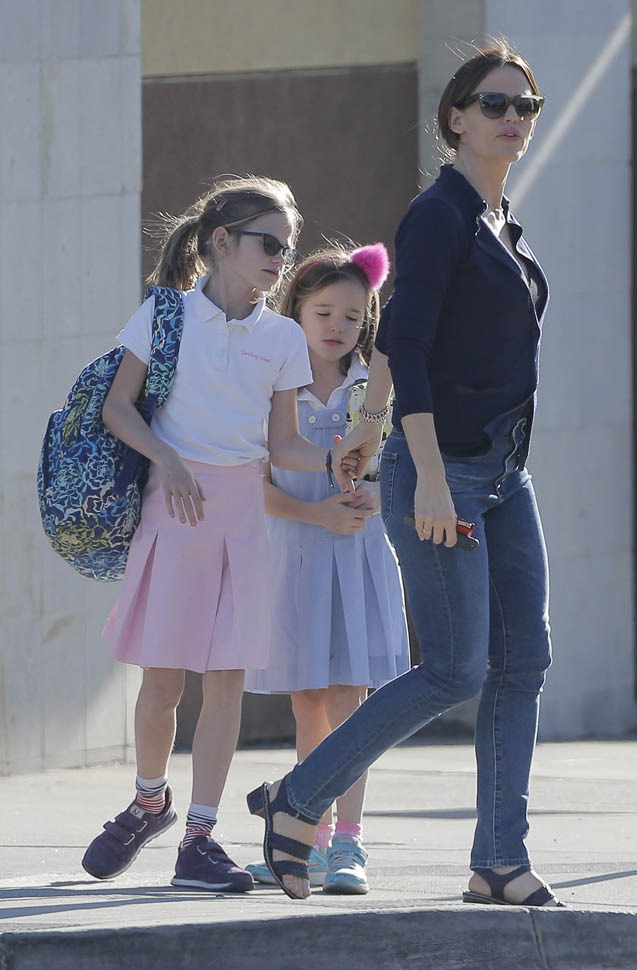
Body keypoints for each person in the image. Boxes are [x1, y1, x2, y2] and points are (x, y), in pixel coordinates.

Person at [246, 41, 564, 908]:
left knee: (522, 662)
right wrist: (420, 471)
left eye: (525, 105)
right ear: (455, 117)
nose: (512, 117)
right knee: (456, 667)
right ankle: (298, 798)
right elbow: (410, 344)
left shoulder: (500, 222)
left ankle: (497, 860)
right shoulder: (440, 214)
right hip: (446, 471)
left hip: (504, 471)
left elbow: (394, 341)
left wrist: (365, 420)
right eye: (494, 103)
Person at [80, 175, 353, 893]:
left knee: (227, 681)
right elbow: (118, 408)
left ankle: (199, 838)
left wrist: (337, 457)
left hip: (242, 521)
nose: (280, 260)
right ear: (222, 242)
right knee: (163, 679)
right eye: (269, 244)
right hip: (174, 512)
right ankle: (149, 802)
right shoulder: (164, 314)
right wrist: (167, 460)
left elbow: (282, 444)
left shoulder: (284, 338)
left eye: (286, 248)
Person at [244, 244, 409, 894]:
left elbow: (401, 472)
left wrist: (376, 498)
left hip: (357, 558)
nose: (337, 325)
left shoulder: (375, 390)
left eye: (352, 314)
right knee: (308, 700)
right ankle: (305, 839)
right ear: (297, 311)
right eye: (323, 311)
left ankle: (349, 844)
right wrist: (316, 515)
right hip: (294, 558)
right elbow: (253, 486)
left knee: (350, 701)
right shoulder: (272, 388)